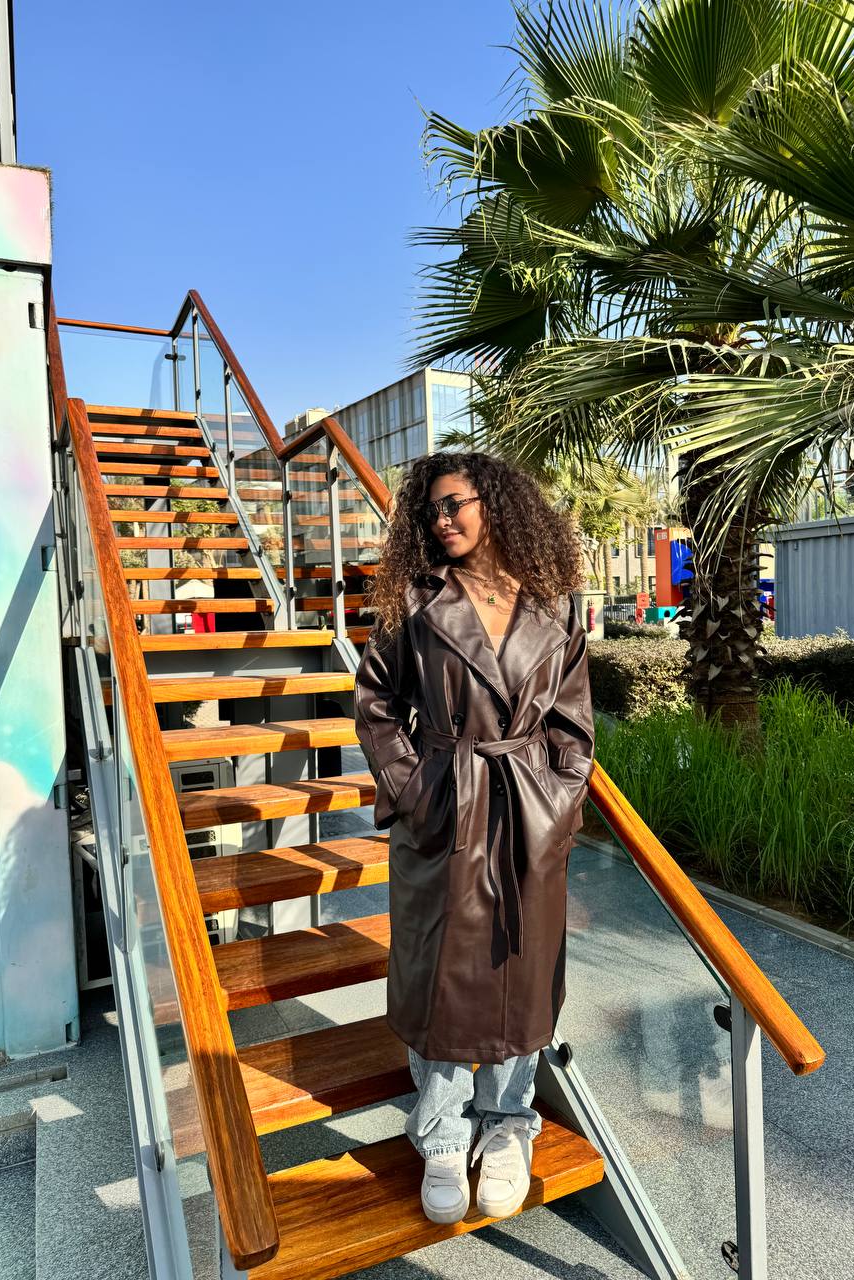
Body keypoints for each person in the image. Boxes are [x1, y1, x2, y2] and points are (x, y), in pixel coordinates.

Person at [354, 451, 595, 1226]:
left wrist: (557, 800)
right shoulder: (413, 599)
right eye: (429, 510)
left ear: (493, 502)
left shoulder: (554, 603)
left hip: (526, 811)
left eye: (453, 503)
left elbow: (573, 723)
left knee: (521, 978)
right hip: (444, 808)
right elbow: (375, 701)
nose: (440, 519)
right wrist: (415, 791)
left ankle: (507, 1126)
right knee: (440, 979)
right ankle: (441, 1133)